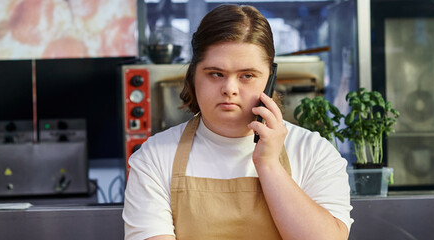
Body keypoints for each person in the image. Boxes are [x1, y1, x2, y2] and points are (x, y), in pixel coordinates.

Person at [123, 4, 353, 240]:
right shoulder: (153, 158)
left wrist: (269, 165)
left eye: (247, 76)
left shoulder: (313, 152)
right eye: (215, 74)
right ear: (193, 75)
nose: (229, 89)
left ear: (270, 79)